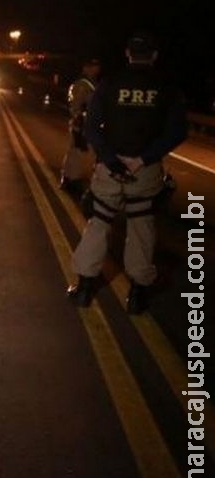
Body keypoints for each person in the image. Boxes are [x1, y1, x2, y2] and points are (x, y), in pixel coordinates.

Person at [67, 32, 188, 314]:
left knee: (99, 222)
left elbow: (91, 127)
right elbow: (177, 131)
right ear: (154, 55)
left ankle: (84, 289)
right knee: (141, 227)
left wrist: (112, 160)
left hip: (111, 169)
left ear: (127, 54)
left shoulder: (109, 84)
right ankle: (137, 295)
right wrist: (144, 159)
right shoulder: (166, 88)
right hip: (145, 170)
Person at [59, 57, 102, 194]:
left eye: (96, 66)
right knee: (76, 154)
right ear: (85, 68)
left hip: (88, 124)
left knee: (79, 154)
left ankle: (70, 179)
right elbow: (76, 106)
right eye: (92, 67)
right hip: (81, 124)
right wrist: (79, 122)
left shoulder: (92, 83)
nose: (96, 69)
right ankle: (71, 180)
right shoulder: (82, 85)